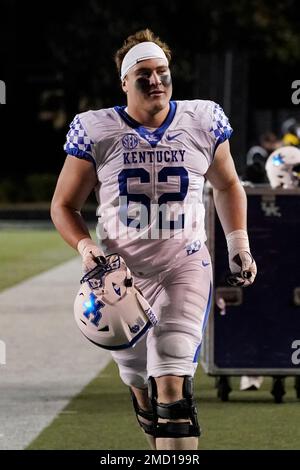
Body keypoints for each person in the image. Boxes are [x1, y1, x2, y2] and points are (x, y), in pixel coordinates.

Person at [51, 29, 257, 450]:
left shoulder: (201, 120)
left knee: (172, 384)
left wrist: (239, 244)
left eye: (162, 71)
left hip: (185, 264)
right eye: (143, 73)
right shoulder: (97, 129)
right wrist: (86, 247)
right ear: (125, 81)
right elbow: (63, 205)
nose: (156, 80)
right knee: (143, 392)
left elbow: (228, 184)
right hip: (121, 276)